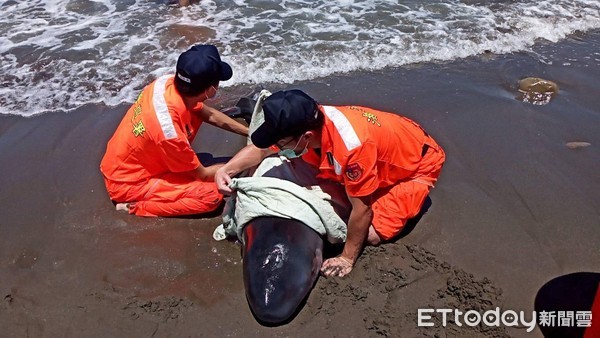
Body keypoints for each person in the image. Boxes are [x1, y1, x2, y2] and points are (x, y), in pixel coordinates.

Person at [215, 89, 445, 277]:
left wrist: (346, 257)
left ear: (306, 137)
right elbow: (262, 149)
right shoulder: (306, 119)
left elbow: (362, 210)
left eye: (282, 142)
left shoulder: (352, 150)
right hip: (390, 135)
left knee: (371, 234)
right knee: (295, 166)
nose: (279, 146)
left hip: (416, 164)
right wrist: (227, 170)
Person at [100, 44, 249, 217]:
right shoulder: (169, 131)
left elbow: (206, 113)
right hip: (128, 182)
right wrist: (248, 160)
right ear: (210, 90)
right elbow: (203, 174)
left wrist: (248, 131)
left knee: (195, 118)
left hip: (120, 161)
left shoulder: (166, 83)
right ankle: (134, 207)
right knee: (211, 196)